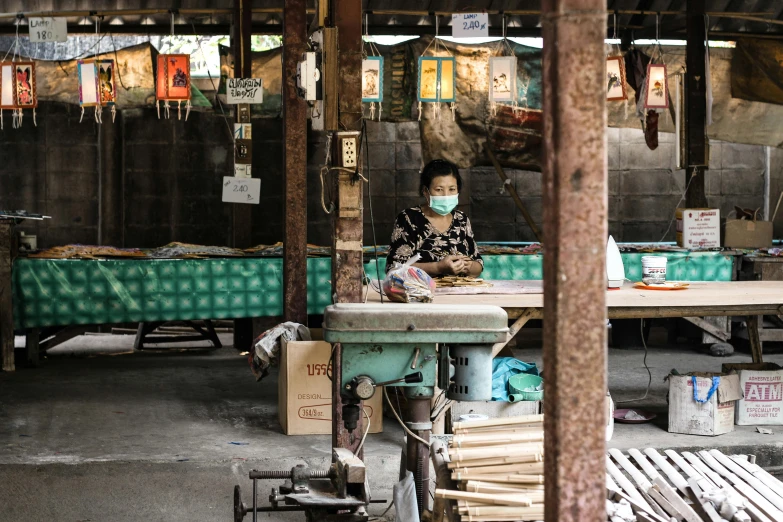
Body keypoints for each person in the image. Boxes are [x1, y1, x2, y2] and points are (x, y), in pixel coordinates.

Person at [386, 159, 483, 277]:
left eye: (452, 189)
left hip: (459, 292)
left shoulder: (461, 219)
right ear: (426, 192)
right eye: (439, 190)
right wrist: (438, 267)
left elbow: (478, 263)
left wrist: (470, 266)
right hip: (422, 292)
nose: (446, 195)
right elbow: (394, 267)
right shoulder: (408, 219)